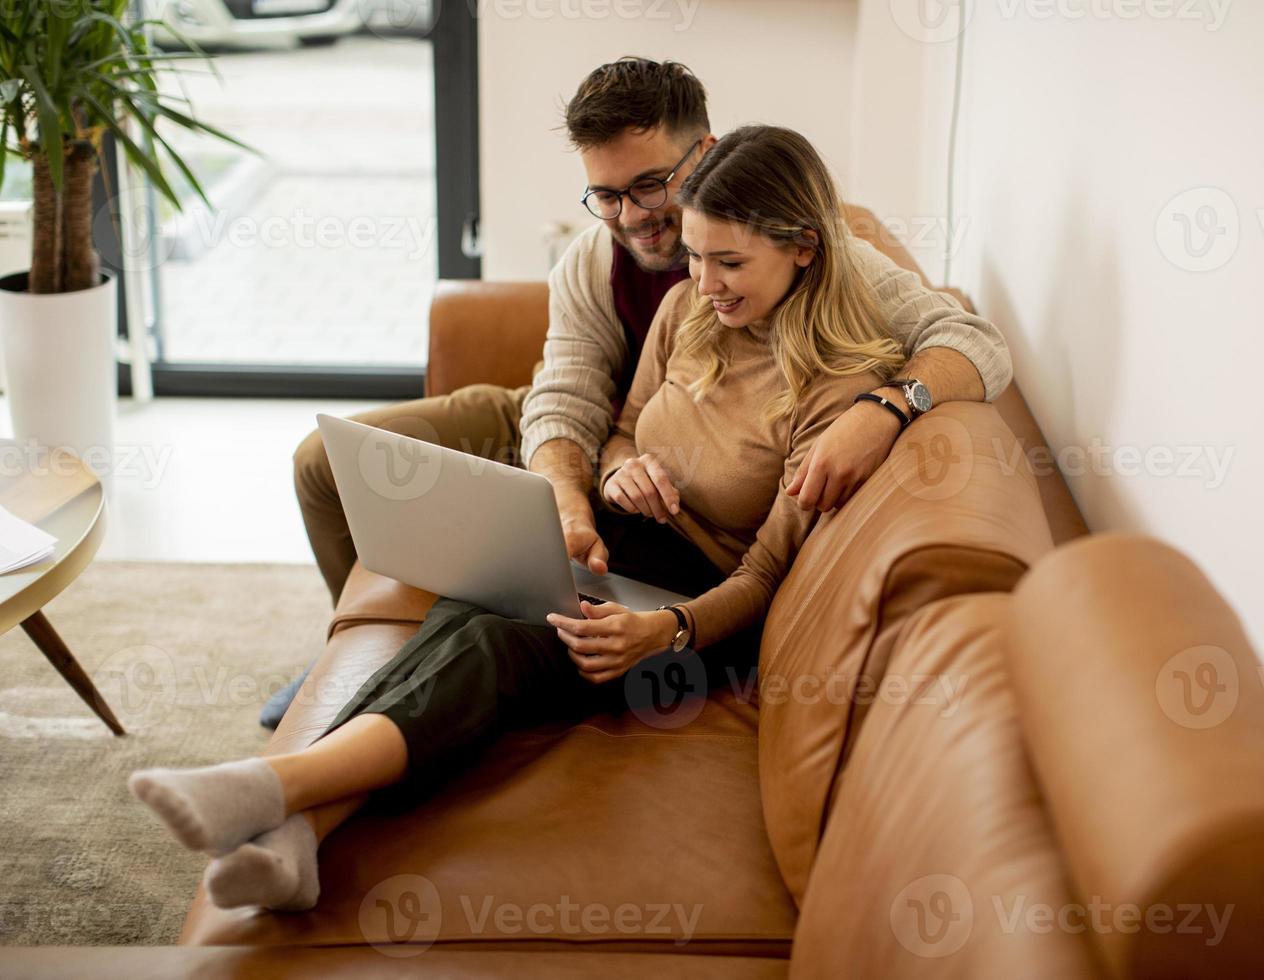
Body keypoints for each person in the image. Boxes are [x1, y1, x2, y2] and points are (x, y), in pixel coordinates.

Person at [131, 125, 953, 912]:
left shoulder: (836, 392)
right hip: (628, 549)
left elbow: (764, 577)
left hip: (705, 618)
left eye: (729, 261)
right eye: (695, 256)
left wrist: (664, 631)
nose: (704, 282)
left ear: (803, 246)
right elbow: (623, 426)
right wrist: (623, 468)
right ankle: (297, 839)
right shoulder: (690, 314)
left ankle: (276, 785)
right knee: (472, 602)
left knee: (490, 647)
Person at [265, 56, 1011, 729]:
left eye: (650, 185)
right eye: (607, 195)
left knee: (506, 606)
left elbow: (977, 344)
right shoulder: (595, 261)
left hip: (683, 480)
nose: (632, 217)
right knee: (323, 464)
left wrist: (886, 407)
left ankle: (406, 673)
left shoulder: (819, 254)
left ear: (706, 153)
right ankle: (357, 642)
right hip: (599, 432)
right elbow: (564, 399)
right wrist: (570, 490)